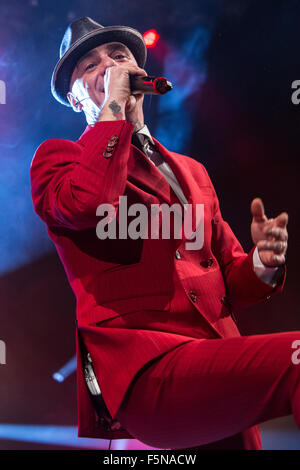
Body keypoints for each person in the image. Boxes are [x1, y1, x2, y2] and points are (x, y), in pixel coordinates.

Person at [30, 17, 300, 450]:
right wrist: (113, 112)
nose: (109, 66)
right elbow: (88, 203)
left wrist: (263, 264)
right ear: (73, 97)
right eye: (90, 65)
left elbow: (226, 279)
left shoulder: (192, 171)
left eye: (119, 57)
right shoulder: (58, 161)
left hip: (216, 363)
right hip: (148, 369)